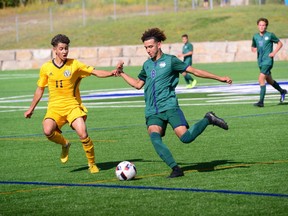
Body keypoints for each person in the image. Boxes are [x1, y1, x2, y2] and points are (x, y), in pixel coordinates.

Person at [116, 28, 232, 178]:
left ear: (159, 44)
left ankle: (208, 118)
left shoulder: (171, 61)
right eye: (146, 47)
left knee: (186, 138)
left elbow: (194, 71)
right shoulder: (147, 65)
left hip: (170, 107)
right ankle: (176, 169)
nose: (148, 50)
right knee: (154, 137)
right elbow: (138, 84)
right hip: (152, 111)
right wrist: (122, 73)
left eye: (150, 46)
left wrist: (219, 78)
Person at [24, 34, 117, 173]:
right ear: (55, 49)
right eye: (61, 48)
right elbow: (40, 89)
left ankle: (92, 164)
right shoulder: (46, 68)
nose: (64, 51)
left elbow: (95, 72)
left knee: (83, 133)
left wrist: (111, 73)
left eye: (66, 48)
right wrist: (31, 108)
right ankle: (65, 144)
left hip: (72, 106)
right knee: (47, 131)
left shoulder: (75, 64)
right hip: (54, 108)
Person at [251, 17, 287, 107]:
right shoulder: (255, 36)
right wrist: (253, 49)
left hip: (268, 61)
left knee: (261, 79)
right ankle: (282, 91)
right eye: (260, 25)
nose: (261, 27)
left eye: (263, 25)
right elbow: (253, 46)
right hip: (260, 61)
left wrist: (274, 52)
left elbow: (280, 43)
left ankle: (261, 102)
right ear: (257, 26)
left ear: (266, 26)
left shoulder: (270, 35)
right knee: (269, 80)